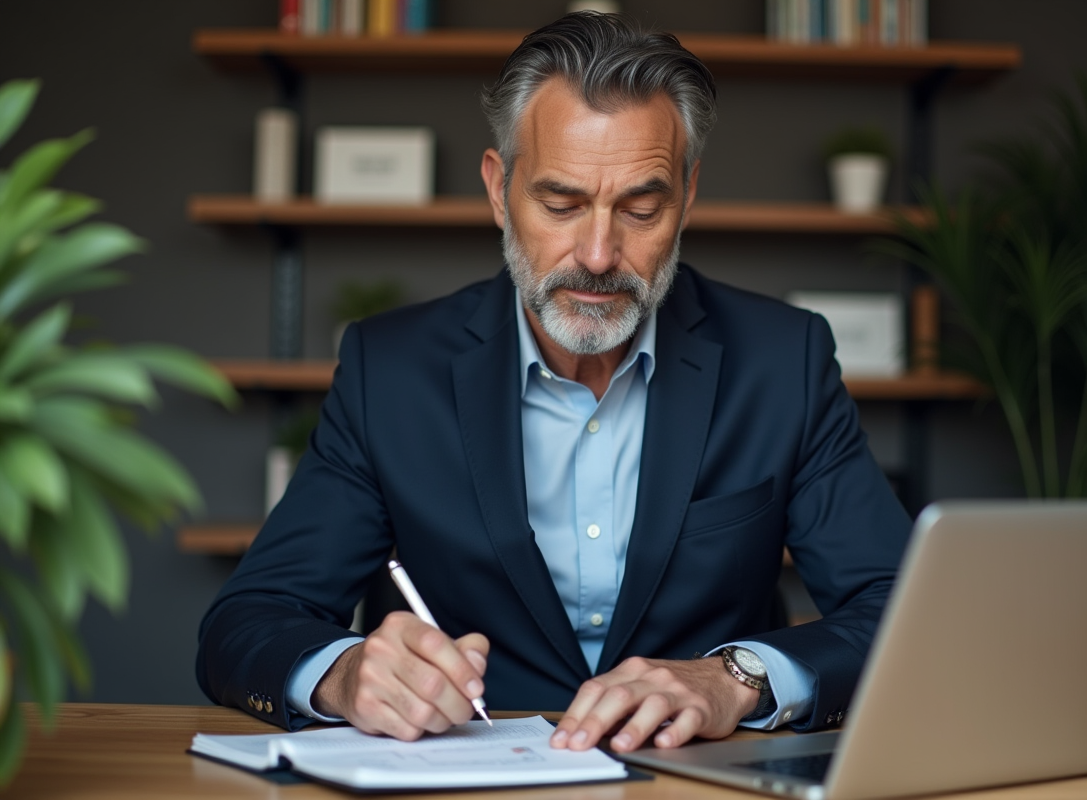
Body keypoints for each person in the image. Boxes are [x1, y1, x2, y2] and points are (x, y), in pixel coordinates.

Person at [196, 11, 910, 755]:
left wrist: (737, 678)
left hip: (698, 778)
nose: (598, 254)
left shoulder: (782, 359)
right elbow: (246, 621)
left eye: (641, 207)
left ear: (687, 198)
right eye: (561, 204)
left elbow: (900, 610)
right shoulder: (391, 370)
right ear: (499, 189)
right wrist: (343, 673)